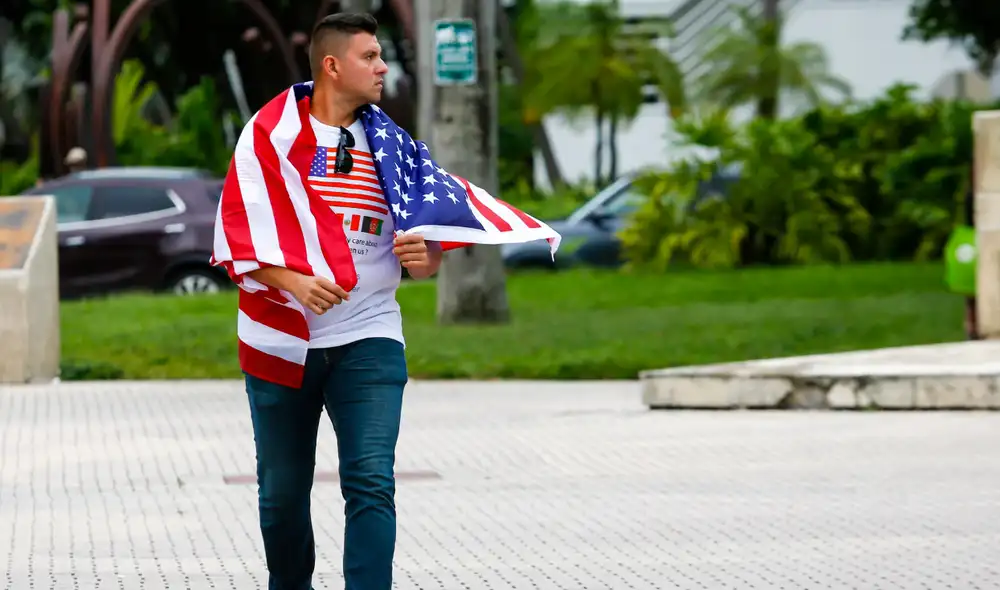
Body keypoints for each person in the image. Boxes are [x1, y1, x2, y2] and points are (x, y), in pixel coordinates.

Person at [232, 13, 441, 590]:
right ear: (332, 66)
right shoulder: (269, 137)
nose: (382, 67)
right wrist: (295, 282)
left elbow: (428, 248)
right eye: (369, 57)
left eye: (381, 56)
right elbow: (237, 240)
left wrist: (427, 258)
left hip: (371, 334)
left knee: (371, 481)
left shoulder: (395, 146)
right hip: (282, 339)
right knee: (281, 493)